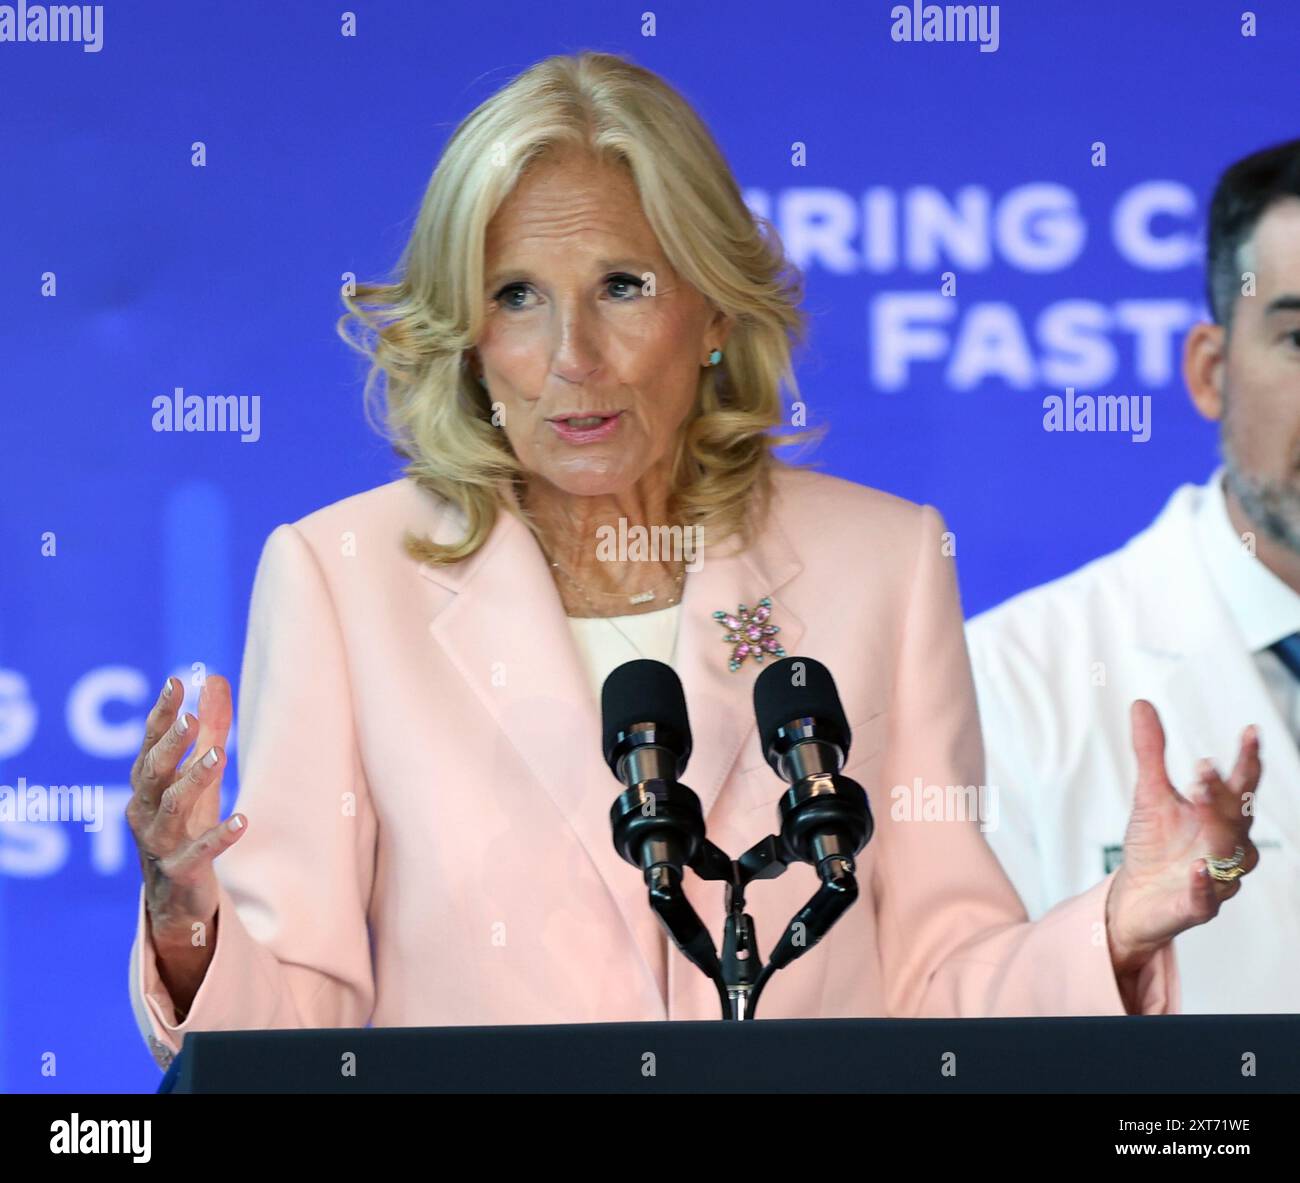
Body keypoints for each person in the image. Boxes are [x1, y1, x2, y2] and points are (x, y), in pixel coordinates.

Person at [127, 51, 1254, 1073]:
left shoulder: (882, 561)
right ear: (469, 339)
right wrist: (189, 920)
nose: (572, 356)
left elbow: (939, 978)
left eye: (622, 286)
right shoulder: (343, 574)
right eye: (517, 296)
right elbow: (294, 1026)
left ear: (711, 310)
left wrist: (1113, 921)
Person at [967, 139, 1299, 1013]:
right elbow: (949, 1021)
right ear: (1211, 371)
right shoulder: (1011, 677)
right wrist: (1113, 937)